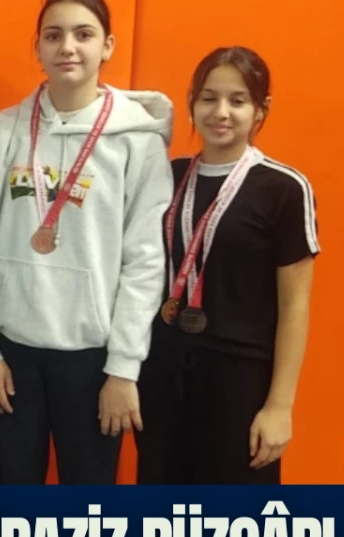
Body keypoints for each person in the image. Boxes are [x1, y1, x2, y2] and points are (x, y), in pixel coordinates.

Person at [0, 0, 174, 484]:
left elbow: (145, 261)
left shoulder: (137, 142)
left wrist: (123, 367)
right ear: (37, 47)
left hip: (94, 361)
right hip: (11, 354)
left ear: (108, 46)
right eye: (54, 35)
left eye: (84, 34)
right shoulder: (4, 131)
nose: (68, 47)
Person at [135, 47, 318, 485]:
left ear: (261, 109)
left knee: (233, 518)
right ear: (191, 102)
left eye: (237, 101)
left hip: (240, 382)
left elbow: (295, 306)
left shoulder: (284, 188)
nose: (220, 112)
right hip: (162, 374)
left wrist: (279, 406)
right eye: (208, 98)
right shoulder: (168, 176)